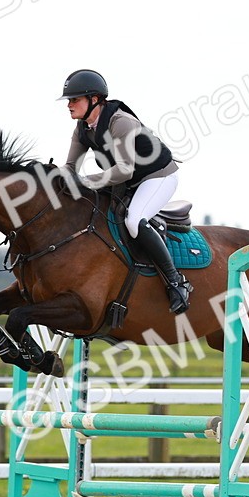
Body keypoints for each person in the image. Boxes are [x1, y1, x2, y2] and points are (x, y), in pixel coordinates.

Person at [59, 69, 192, 314]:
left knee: (133, 221)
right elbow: (70, 168)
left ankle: (176, 283)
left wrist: (84, 182)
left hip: (158, 176)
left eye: (75, 99)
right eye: (69, 100)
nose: (69, 105)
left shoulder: (120, 122)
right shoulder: (82, 129)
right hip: (128, 182)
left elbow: (124, 170)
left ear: (95, 99)